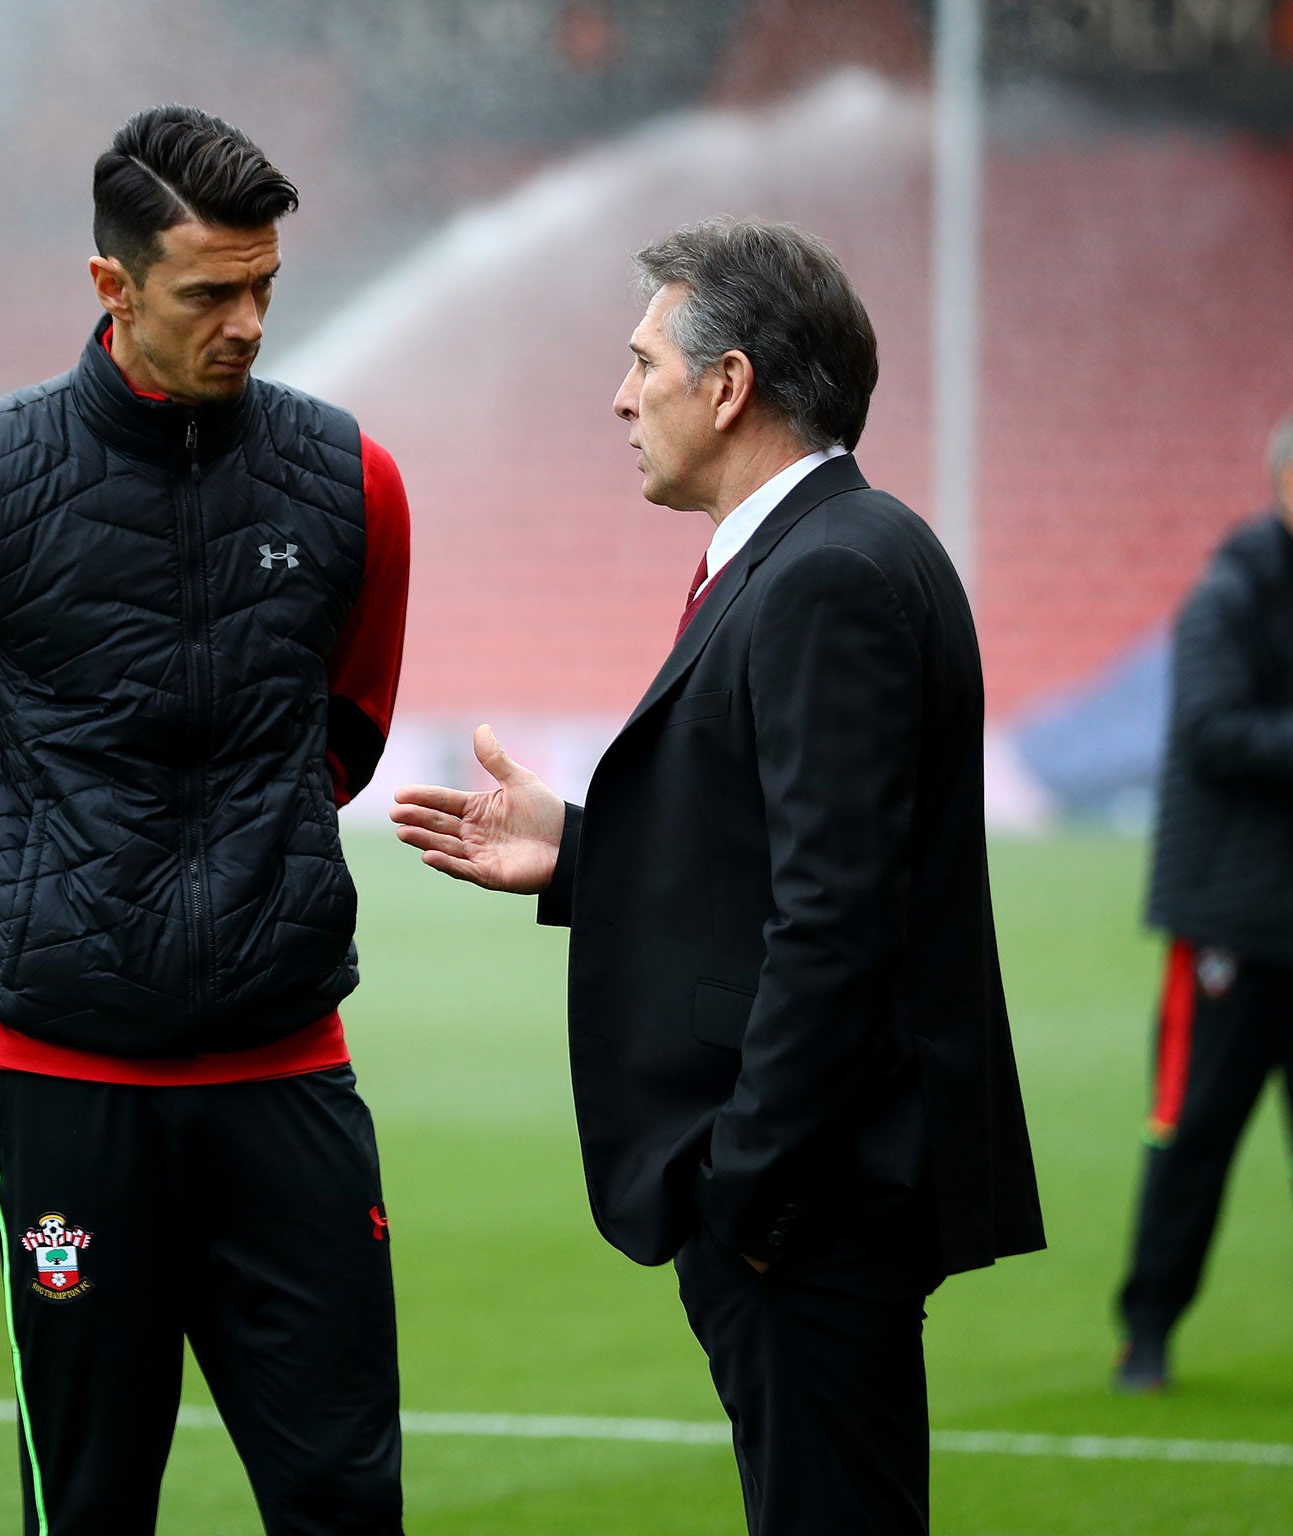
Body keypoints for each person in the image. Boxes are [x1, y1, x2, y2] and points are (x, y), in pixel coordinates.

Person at [392, 217, 1043, 1535]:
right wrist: (578, 852)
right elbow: (774, 857)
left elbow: (835, 918)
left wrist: (750, 1187)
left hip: (810, 1203)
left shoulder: (829, 577)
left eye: (644, 362)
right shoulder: (832, 551)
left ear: (730, 383)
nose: (621, 396)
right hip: (819, 1188)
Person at [0, 105, 410, 1536]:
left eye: (266, 289)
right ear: (112, 287)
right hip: (65, 1088)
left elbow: (339, 738)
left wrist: (220, 889)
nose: (246, 323)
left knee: (346, 1499)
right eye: (208, 293)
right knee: (93, 1503)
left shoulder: (354, 481)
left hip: (287, 1075)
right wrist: (80, 894)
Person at [1116, 400, 1293, 1398]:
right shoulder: (1224, 598)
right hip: (1232, 924)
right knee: (1191, 1135)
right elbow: (1210, 736)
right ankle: (1142, 1331)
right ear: (1292, 484)